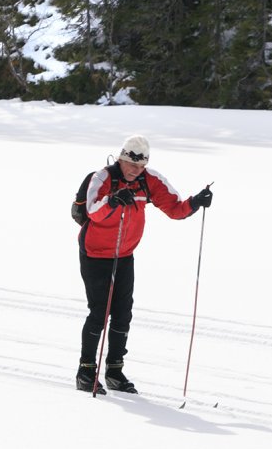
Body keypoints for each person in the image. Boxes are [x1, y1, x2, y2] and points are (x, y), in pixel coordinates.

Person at [70, 133, 212, 393]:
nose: (137, 171)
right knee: (100, 312)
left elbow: (174, 209)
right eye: (132, 165)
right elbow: (93, 212)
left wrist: (195, 203)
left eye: (141, 166)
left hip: (124, 255)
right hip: (95, 254)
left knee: (123, 313)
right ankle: (86, 372)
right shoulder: (102, 178)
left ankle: (115, 370)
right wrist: (112, 201)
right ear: (122, 159)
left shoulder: (149, 180)